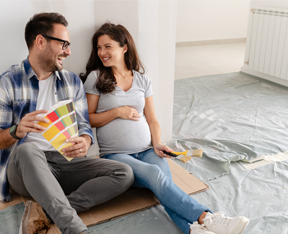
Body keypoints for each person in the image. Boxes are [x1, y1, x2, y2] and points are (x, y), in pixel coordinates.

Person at [80, 23, 250, 234]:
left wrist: (158, 144)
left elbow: (152, 119)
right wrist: (117, 112)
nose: (102, 53)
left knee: (167, 187)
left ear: (124, 47)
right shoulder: (96, 78)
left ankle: (193, 230)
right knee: (154, 174)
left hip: (148, 150)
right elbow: (87, 119)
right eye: (99, 48)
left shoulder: (142, 79)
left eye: (108, 46)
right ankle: (208, 217)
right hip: (117, 155)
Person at [0, 13, 134, 234]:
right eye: (63, 44)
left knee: (124, 173)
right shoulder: (5, 83)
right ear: (40, 41)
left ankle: (44, 213)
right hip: (26, 167)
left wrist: (85, 140)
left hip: (65, 162)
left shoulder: (72, 81)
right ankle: (75, 229)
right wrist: (17, 131)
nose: (68, 51)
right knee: (27, 149)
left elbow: (84, 125)